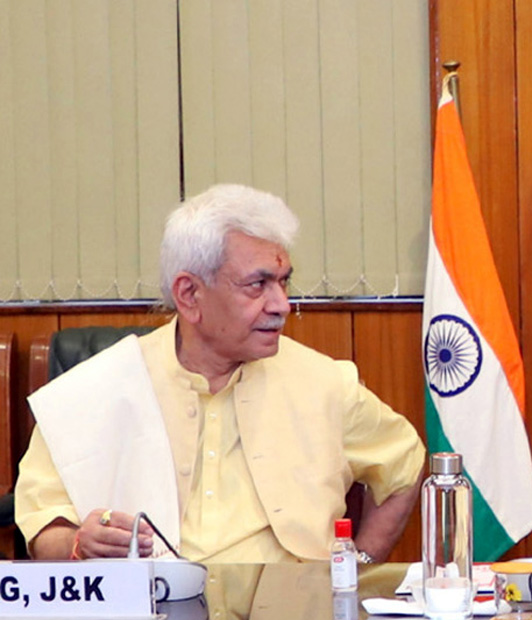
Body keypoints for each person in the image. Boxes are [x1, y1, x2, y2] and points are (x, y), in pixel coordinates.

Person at [16, 184, 425, 563]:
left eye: (284, 282)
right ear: (190, 295)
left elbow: (404, 466)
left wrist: (358, 569)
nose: (281, 304)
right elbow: (41, 525)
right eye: (258, 284)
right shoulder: (95, 388)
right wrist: (78, 544)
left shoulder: (325, 383)